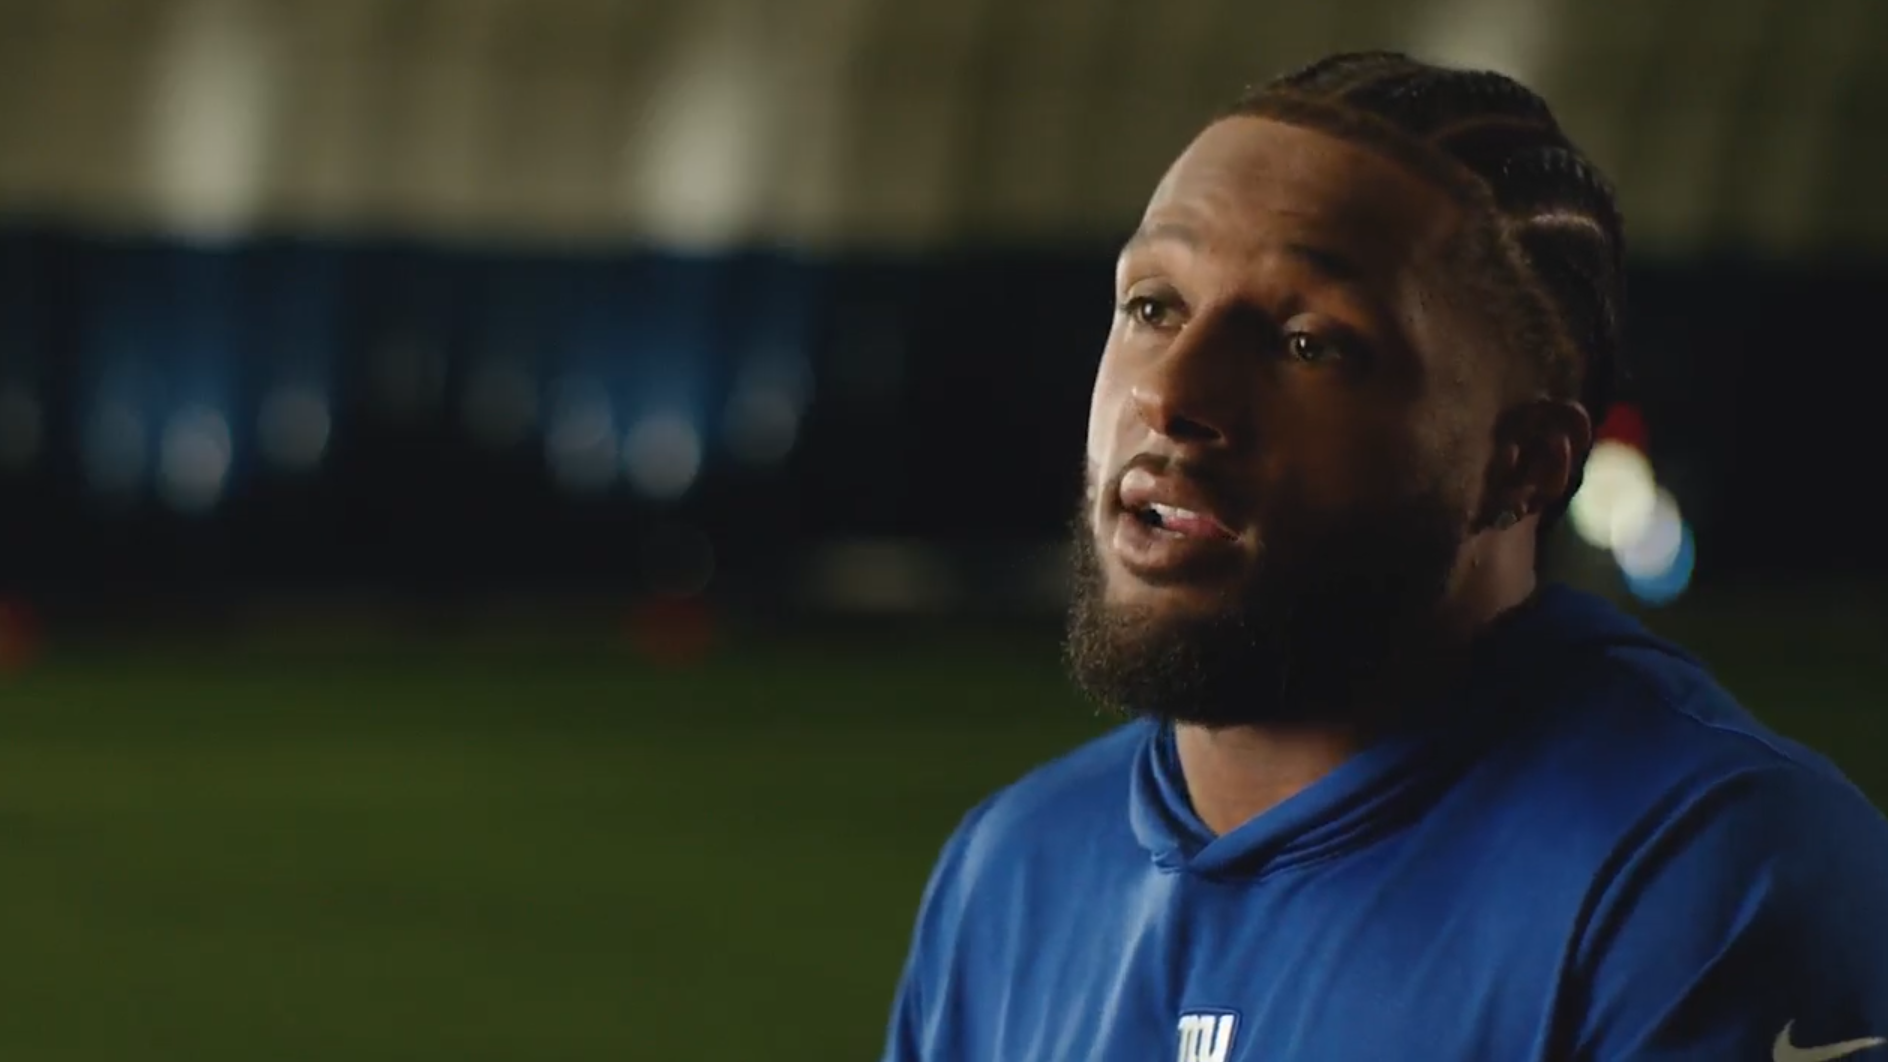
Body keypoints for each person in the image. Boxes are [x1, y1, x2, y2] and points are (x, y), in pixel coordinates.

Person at [880, 51, 1888, 1062]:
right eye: (1153, 307)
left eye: (1308, 343)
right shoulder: (1009, 871)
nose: (1174, 394)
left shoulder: (1706, 876)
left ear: (1521, 467)